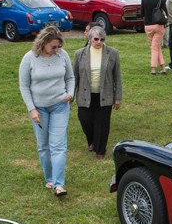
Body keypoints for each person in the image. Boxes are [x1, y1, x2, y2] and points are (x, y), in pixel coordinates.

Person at [19, 26, 74, 196]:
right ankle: (49, 178)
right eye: (53, 47)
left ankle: (59, 185)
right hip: (39, 109)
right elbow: (24, 86)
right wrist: (32, 109)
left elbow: (70, 77)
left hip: (60, 106)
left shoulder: (62, 55)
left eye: (59, 46)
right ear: (43, 44)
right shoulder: (30, 58)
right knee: (43, 146)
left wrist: (70, 94)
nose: (57, 50)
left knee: (58, 145)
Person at [73, 26, 122, 160]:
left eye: (102, 39)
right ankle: (92, 141)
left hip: (104, 95)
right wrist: (70, 96)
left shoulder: (113, 53)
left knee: (102, 123)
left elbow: (117, 77)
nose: (99, 42)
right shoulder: (79, 54)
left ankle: (100, 150)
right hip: (85, 95)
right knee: (85, 119)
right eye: (96, 39)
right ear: (90, 39)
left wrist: (117, 97)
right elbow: (74, 77)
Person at [141, 0, 167, 74]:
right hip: (158, 25)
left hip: (148, 25)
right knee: (156, 46)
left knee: (155, 46)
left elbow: (142, 13)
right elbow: (166, 12)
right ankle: (154, 68)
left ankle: (162, 67)